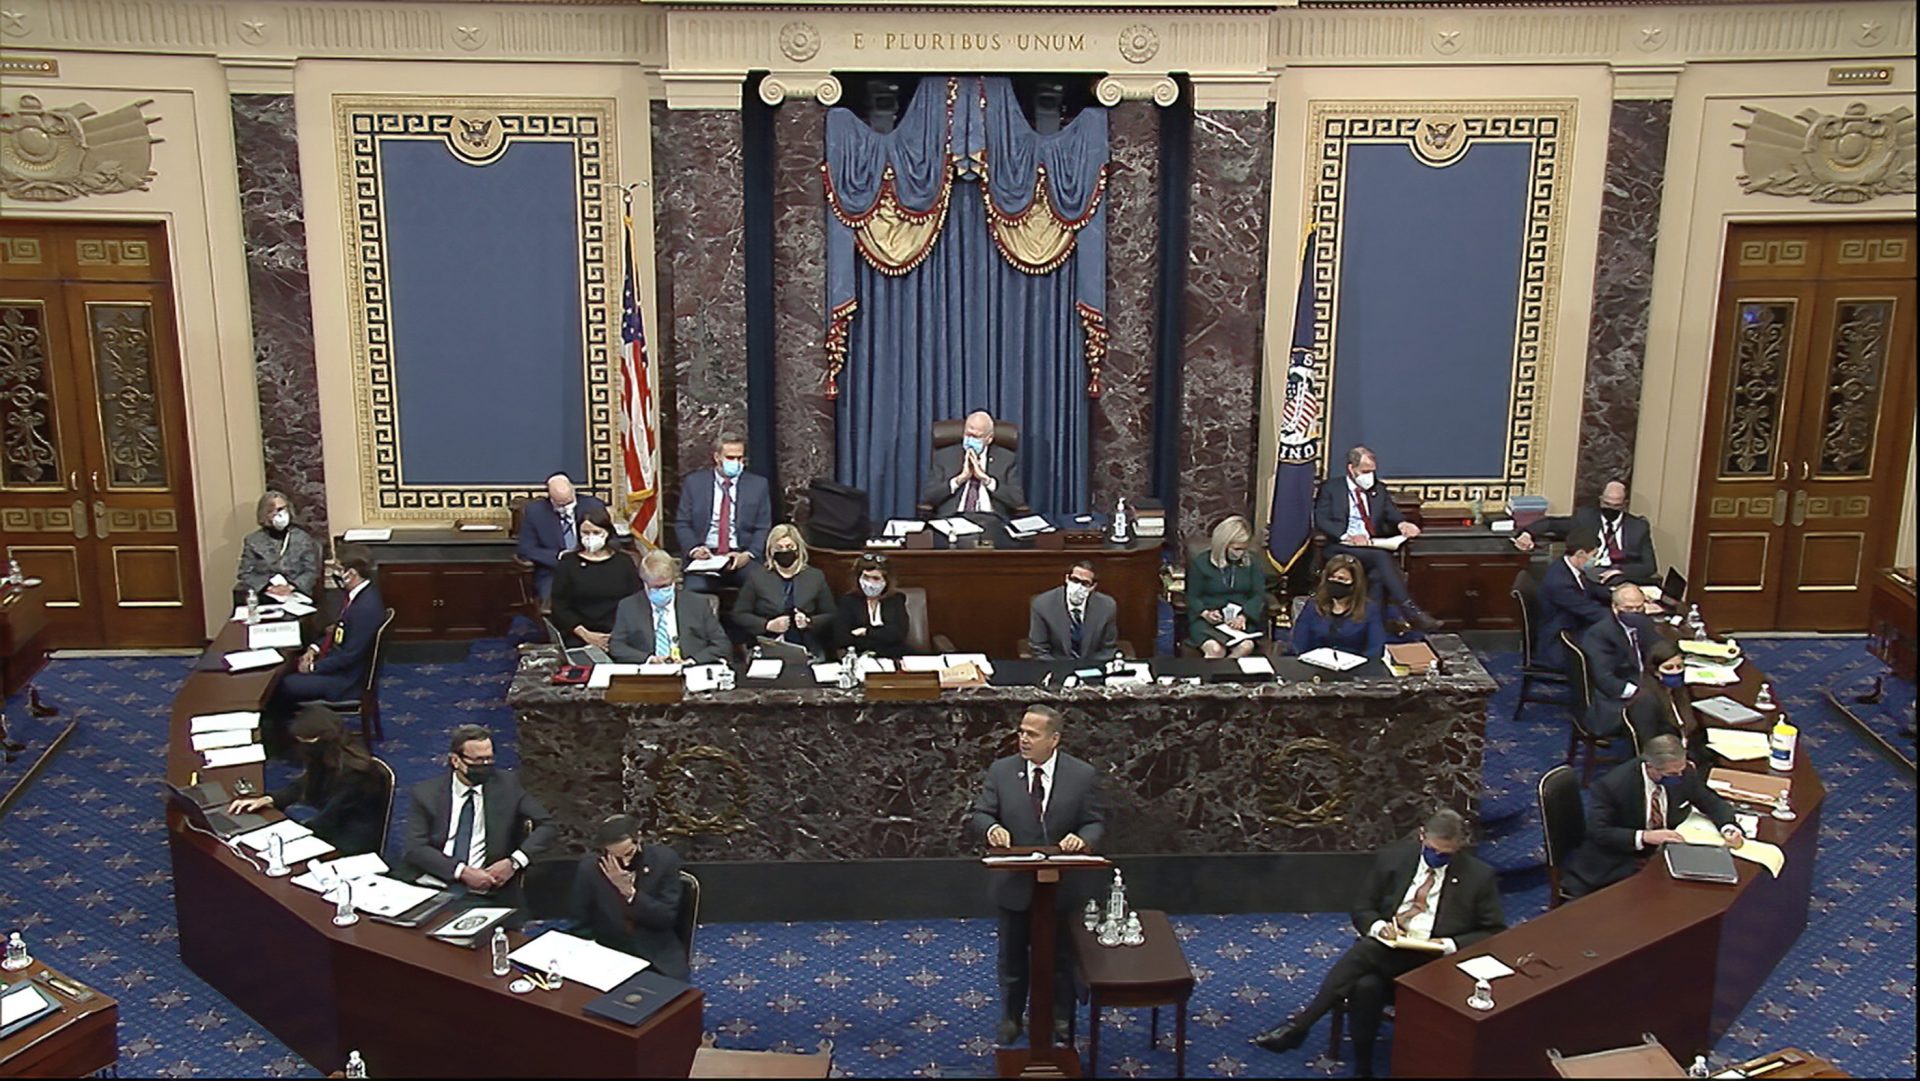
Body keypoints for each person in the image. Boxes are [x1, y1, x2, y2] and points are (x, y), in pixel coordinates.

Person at [1254, 808, 1504, 1076]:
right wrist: (1379, 927)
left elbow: (1494, 931)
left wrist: (1448, 944)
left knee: (1366, 953)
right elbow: (1363, 908)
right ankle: (1363, 1067)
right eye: (1433, 850)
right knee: (1365, 985)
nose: (1438, 858)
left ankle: (1301, 1026)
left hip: (1435, 963)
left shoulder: (1478, 876)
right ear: (1422, 837)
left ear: (1458, 848)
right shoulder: (1394, 860)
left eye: (1446, 854)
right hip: (1390, 949)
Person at [968, 704, 1104, 1046]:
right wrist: (991, 829)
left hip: (1062, 886)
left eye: (1032, 734)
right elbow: (981, 814)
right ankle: (1012, 1018)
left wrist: (1084, 839)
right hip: (1014, 884)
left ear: (1054, 739)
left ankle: (1061, 1018)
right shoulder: (1002, 771)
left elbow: (1094, 821)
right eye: (1021, 732)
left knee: (1062, 959)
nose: (1023, 739)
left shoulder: (1082, 774)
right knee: (1012, 959)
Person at [1560, 734, 1743, 898]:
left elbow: (1710, 800)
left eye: (1682, 770)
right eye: (1672, 774)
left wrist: (1729, 826)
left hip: (1668, 852)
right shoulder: (1613, 786)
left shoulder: (1683, 772)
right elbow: (1598, 832)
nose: (1679, 776)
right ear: (1650, 767)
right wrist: (1646, 836)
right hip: (1624, 856)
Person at [401, 724, 554, 900]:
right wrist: (462, 871)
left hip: (487, 886)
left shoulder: (507, 785)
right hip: (435, 880)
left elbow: (547, 825)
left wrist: (514, 862)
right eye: (478, 760)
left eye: (489, 759)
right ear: (455, 760)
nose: (485, 766)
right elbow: (415, 847)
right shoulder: (426, 793)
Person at [226, 704, 385, 856]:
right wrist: (268, 799)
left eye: (306, 742)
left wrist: (285, 835)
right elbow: (303, 784)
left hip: (350, 838)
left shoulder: (356, 774)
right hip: (328, 823)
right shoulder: (328, 756)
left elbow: (328, 820)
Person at [1312, 446, 1438, 631]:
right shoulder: (1332, 489)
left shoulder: (1378, 489)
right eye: (1365, 471)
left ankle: (1372, 625)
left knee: (1378, 575)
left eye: (1372, 471)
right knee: (1380, 557)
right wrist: (1348, 536)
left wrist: (1402, 524)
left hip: (1370, 545)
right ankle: (1411, 613)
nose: (1369, 476)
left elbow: (1391, 512)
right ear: (1351, 469)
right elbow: (1321, 519)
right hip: (1341, 545)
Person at [265, 544, 384, 732]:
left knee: (282, 684)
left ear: (351, 573)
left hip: (346, 681)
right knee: (286, 671)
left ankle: (285, 738)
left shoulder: (365, 608)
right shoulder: (357, 597)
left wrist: (314, 668)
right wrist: (314, 648)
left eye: (338, 569)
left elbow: (349, 656)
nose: (334, 574)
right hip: (338, 667)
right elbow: (338, 632)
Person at [569, 814, 690, 981]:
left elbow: (666, 917)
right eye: (617, 858)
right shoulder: (590, 870)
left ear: (638, 839)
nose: (625, 863)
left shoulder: (664, 861)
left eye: (629, 853)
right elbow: (580, 922)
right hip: (609, 953)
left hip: (656, 953)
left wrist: (629, 893)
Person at [673, 433, 773, 595]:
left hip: (740, 555)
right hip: (705, 557)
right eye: (730, 458)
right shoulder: (695, 483)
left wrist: (748, 554)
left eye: (740, 458)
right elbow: (682, 523)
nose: (737, 463)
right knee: (694, 591)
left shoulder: (758, 485)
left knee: (762, 587)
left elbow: (763, 527)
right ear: (717, 457)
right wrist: (694, 549)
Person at [1513, 480, 1658, 587]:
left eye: (1616, 506)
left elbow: (1649, 566)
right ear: (1601, 500)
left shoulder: (1638, 527)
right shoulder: (1585, 517)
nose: (1611, 509)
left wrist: (1618, 571)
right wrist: (1527, 533)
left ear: (1625, 504)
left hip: (1623, 579)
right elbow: (1552, 523)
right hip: (1589, 576)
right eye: (1607, 504)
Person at [610, 550, 731, 664]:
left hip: (689, 671)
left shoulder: (698, 604)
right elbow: (616, 646)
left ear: (674, 580)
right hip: (649, 675)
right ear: (644, 583)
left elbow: (721, 644)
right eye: (655, 587)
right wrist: (649, 659)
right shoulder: (628, 606)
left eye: (665, 586)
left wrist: (691, 661)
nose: (661, 591)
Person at [731, 524, 835, 655]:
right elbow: (739, 614)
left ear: (798, 549)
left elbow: (830, 614)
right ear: (771, 551)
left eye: (789, 547)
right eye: (779, 548)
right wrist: (767, 625)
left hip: (807, 646)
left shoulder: (815, 576)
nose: (785, 551)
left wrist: (809, 622)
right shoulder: (757, 577)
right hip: (768, 644)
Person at [548, 505, 640, 650]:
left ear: (607, 532)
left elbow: (636, 601)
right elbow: (560, 606)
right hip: (579, 636)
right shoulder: (568, 562)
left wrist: (616, 635)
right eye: (585, 532)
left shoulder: (624, 561)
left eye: (596, 532)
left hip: (619, 634)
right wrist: (586, 634)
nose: (590, 537)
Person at [1577, 583, 1656, 736]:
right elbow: (1605, 680)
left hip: (1640, 680)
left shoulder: (1644, 624)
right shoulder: (1600, 634)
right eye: (1628, 609)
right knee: (1657, 711)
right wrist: (1640, 692)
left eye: (1639, 608)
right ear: (1614, 607)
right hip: (1613, 700)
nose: (1635, 613)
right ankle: (1647, 754)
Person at [518, 473, 610, 599]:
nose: (566, 508)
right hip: (554, 572)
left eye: (569, 502)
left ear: (573, 491)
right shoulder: (535, 512)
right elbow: (526, 549)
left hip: (593, 568)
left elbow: (612, 540)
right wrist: (560, 557)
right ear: (550, 497)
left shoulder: (593, 506)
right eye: (560, 505)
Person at [1186, 516, 1267, 659]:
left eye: (1244, 549)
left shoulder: (1251, 562)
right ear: (1223, 545)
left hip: (1239, 622)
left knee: (1246, 646)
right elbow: (1191, 596)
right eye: (1236, 549)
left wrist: (1244, 616)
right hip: (1208, 621)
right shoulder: (1201, 563)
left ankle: (1227, 678)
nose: (1241, 553)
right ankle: (1210, 680)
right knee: (1216, 650)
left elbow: (1258, 595)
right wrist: (1205, 613)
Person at [1624, 639, 1714, 766]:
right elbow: (1649, 744)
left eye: (1679, 666)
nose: (1675, 671)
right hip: (1668, 762)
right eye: (1669, 668)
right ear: (1656, 672)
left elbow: (1689, 727)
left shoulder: (1680, 691)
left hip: (1690, 752)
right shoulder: (1645, 701)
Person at [1534, 528, 1613, 671]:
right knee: (1611, 639)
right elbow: (1590, 610)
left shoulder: (1565, 567)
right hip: (1561, 642)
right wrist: (1628, 612)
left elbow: (1591, 589)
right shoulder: (1560, 583)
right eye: (1594, 555)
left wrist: (1619, 594)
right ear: (1581, 554)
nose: (1595, 560)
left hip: (1571, 625)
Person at [921, 411, 1026, 518]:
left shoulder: (1006, 458)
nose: (970, 440)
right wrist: (959, 480)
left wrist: (987, 480)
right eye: (968, 434)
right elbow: (929, 496)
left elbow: (1017, 500)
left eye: (976, 437)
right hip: (953, 518)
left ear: (989, 439)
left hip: (991, 519)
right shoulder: (944, 456)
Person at [1291, 554, 1385, 660]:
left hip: (1356, 670)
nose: (1335, 582)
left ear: (1354, 584)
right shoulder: (1312, 606)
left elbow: (1375, 649)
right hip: (1315, 667)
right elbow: (1299, 643)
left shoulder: (1370, 609)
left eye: (1341, 579)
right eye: (1331, 578)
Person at [235, 490, 321, 601]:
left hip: (296, 593)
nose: (279, 514)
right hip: (266, 595)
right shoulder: (253, 541)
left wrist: (290, 587)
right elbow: (245, 573)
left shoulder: (302, 538)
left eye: (282, 509)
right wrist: (268, 587)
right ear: (264, 514)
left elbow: (311, 571)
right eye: (273, 511)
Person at [1028, 560, 1118, 661]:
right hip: (1056, 666)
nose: (1078, 587)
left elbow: (1108, 649)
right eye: (1074, 580)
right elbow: (1039, 650)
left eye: (1085, 583)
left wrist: (1088, 669)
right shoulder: (1042, 604)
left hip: (1091, 667)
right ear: (1067, 579)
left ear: (1093, 586)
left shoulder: (1106, 606)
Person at [833, 554, 910, 659]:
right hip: (860, 656)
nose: (869, 583)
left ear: (886, 580)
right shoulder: (849, 601)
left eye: (875, 578)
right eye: (865, 577)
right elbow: (842, 638)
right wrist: (882, 634)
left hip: (894, 655)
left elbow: (899, 634)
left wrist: (866, 631)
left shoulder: (896, 599)